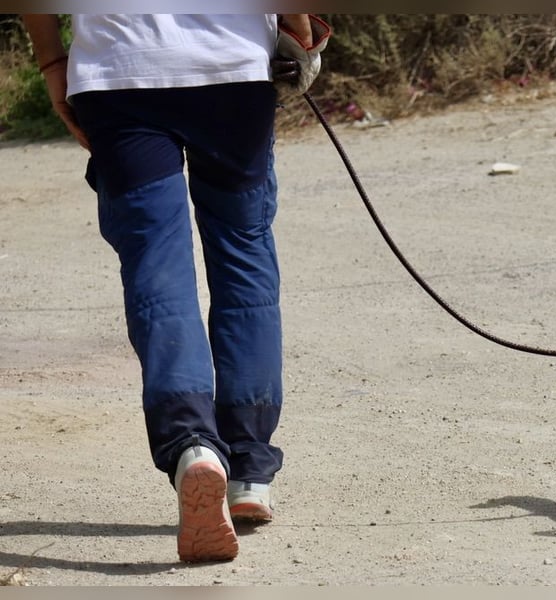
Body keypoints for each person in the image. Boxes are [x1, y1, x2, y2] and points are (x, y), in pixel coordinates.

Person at [21, 13, 331, 563]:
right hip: (231, 70)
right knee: (244, 254)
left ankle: (193, 446)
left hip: (118, 72)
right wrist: (299, 31)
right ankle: (248, 468)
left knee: (155, 263)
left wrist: (51, 59)